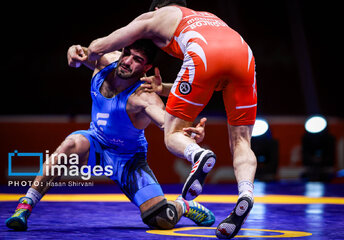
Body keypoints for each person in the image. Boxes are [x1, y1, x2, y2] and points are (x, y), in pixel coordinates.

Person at [86, 1, 258, 238]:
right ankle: (246, 194)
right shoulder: (210, 16)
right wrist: (164, 88)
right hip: (244, 55)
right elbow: (214, 83)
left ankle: (197, 154)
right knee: (242, 141)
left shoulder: (156, 17)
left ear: (155, 9)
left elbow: (101, 45)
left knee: (172, 133)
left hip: (204, 54)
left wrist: (83, 53)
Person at [6, 39, 215, 231]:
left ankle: (182, 205)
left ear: (147, 68)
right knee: (71, 144)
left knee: (161, 220)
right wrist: (72, 51)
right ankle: (25, 206)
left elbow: (168, 124)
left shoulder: (145, 97)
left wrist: (189, 132)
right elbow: (80, 52)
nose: (127, 62)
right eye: (127, 54)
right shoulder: (105, 60)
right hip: (95, 142)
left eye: (137, 60)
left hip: (128, 160)